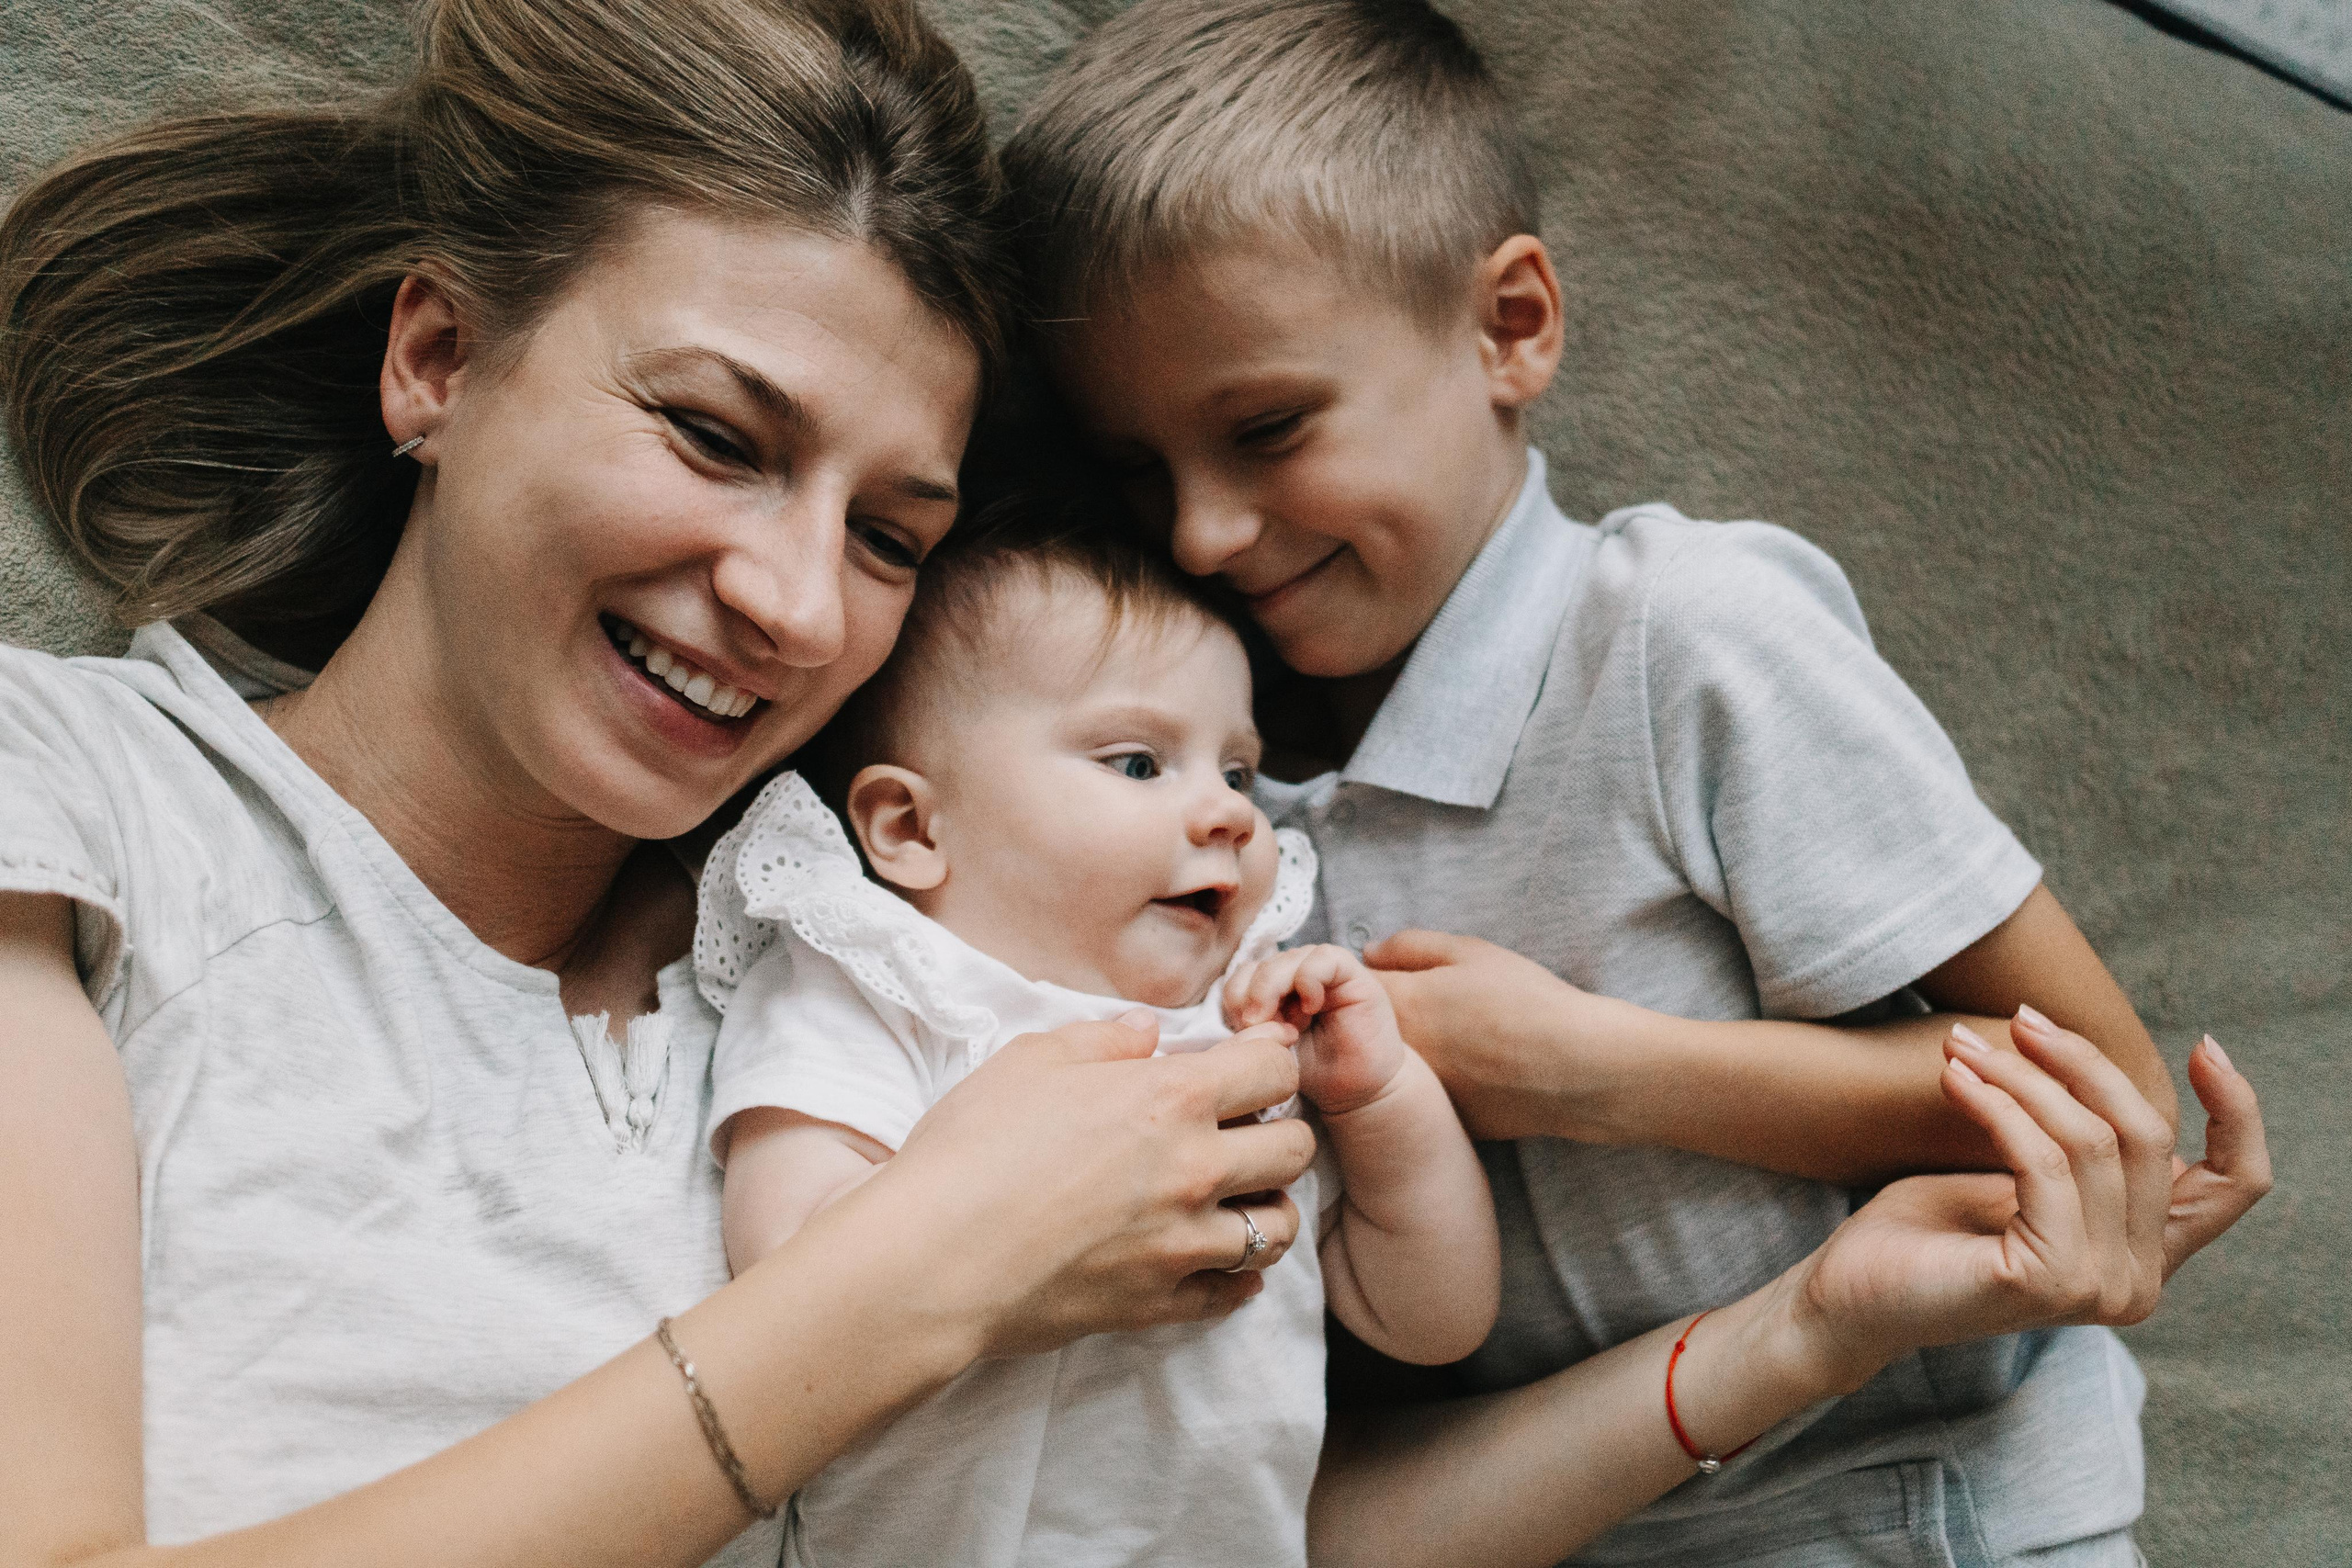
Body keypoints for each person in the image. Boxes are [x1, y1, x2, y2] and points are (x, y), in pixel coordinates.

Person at [0, 0, 2267, 1564]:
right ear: (436, 353)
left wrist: (1797, 1330)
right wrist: (935, 1264)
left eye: (892, 532)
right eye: (708, 430)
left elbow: (1223, 1511)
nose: (788, 600)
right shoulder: (79, 801)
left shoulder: (916, 916)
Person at [999, 2, 2261, 1562]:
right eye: (1139, 470)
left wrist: (1587, 1067)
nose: (1199, 532)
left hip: (1942, 1503)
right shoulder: (1213, 799)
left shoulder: (1684, 637)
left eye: (1269, 428)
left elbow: (2099, 1085)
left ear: (1511, 326)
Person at [697, 501, 1498, 1566]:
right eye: (1136, 764)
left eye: (1239, 772)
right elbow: (793, 1289)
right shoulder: (882, 989)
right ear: (912, 827)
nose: (1231, 814)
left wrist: (1380, 1100)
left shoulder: (1250, 1028)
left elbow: (1431, 1322)